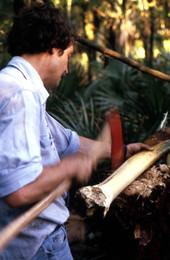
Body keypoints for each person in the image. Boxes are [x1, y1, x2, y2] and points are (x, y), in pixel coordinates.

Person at [0, 2, 152, 259]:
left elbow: (67, 142)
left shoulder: (14, 86)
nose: (68, 68)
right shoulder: (20, 94)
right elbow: (19, 190)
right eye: (69, 55)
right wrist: (70, 168)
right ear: (53, 48)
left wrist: (121, 150)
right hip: (37, 246)